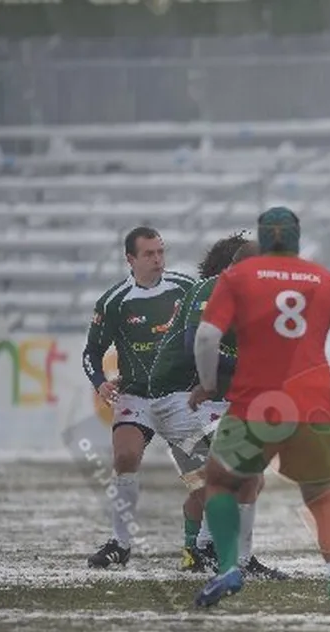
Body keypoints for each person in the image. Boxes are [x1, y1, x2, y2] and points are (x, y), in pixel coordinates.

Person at [189, 206, 330, 614]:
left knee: (221, 481)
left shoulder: (237, 277)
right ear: (298, 238)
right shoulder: (327, 281)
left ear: (263, 238)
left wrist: (208, 384)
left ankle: (228, 567)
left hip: (253, 406)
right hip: (311, 407)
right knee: (324, 499)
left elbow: (207, 337)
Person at [147, 232, 287, 580]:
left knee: (246, 476)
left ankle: (223, 553)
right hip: (178, 398)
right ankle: (214, 549)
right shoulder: (215, 288)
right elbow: (196, 343)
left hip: (202, 402)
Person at [84, 227, 196, 568]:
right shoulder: (115, 301)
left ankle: (201, 546)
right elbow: (91, 352)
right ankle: (120, 543)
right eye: (149, 254)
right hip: (136, 398)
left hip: (180, 397)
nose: (158, 259)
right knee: (125, 455)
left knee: (204, 475)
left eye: (161, 252)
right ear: (130, 259)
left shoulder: (186, 288)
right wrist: (100, 382)